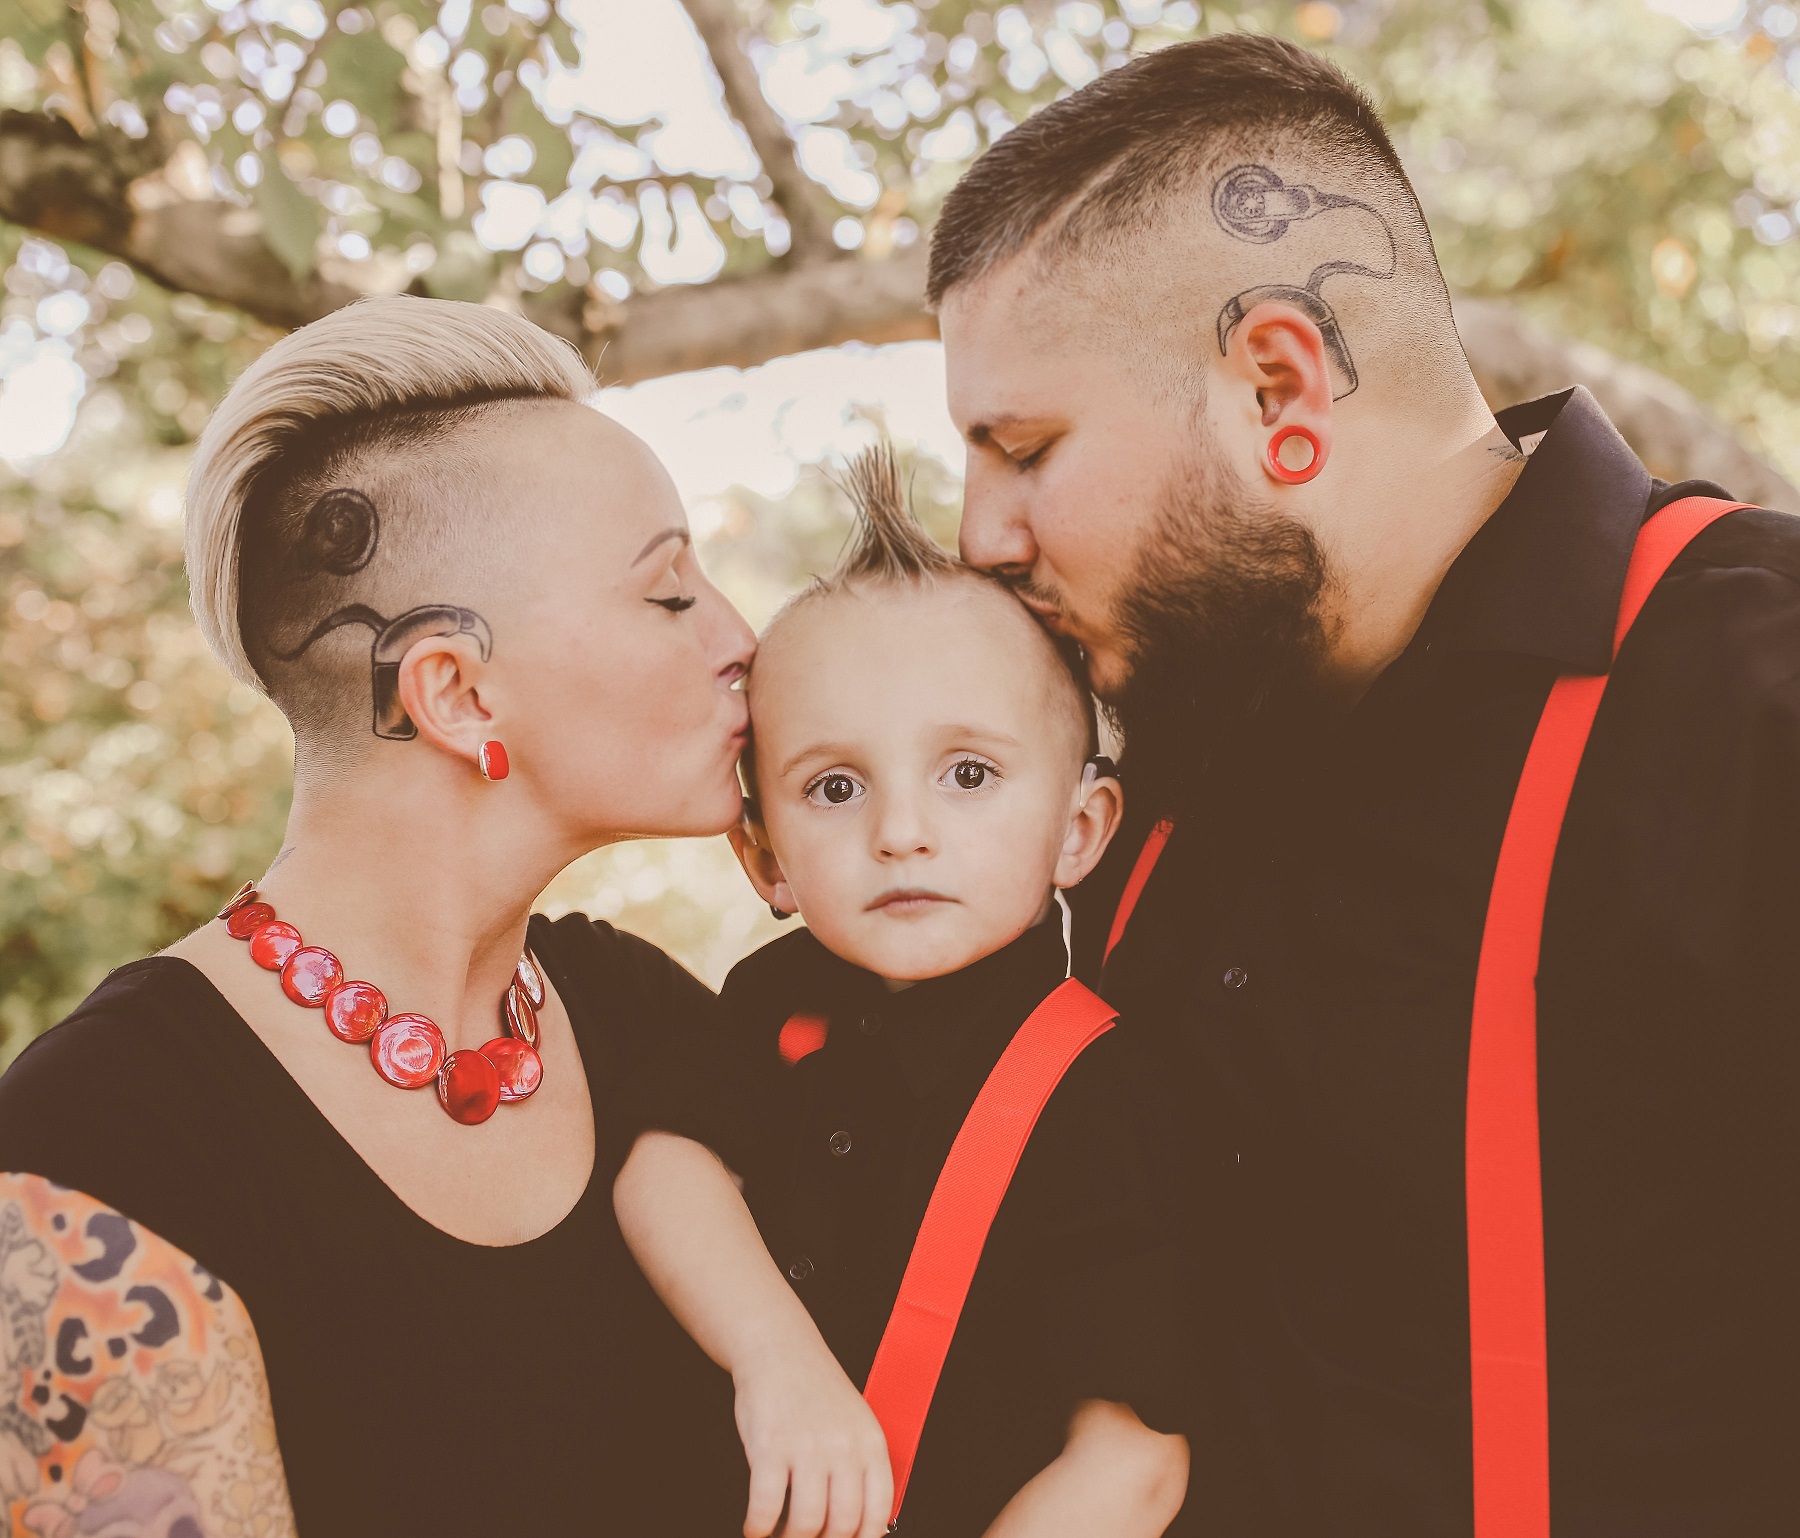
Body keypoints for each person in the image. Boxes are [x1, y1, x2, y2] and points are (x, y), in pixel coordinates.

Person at [930, 32, 1797, 1538]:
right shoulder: (1130, 781)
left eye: (1023, 448)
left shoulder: (1755, 695)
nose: (979, 533)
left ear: (1280, 378)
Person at [0, 295, 876, 1537]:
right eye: (670, 593)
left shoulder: (649, 1021)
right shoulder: (100, 1137)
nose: (742, 639)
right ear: (456, 691)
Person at [617, 447, 1194, 1538]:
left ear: (1080, 830)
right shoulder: (771, 1003)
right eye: (835, 787)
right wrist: (778, 1360)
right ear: (767, 859)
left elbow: (1134, 1462)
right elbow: (665, 1167)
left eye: (967, 774)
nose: (901, 830)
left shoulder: (1108, 1090)